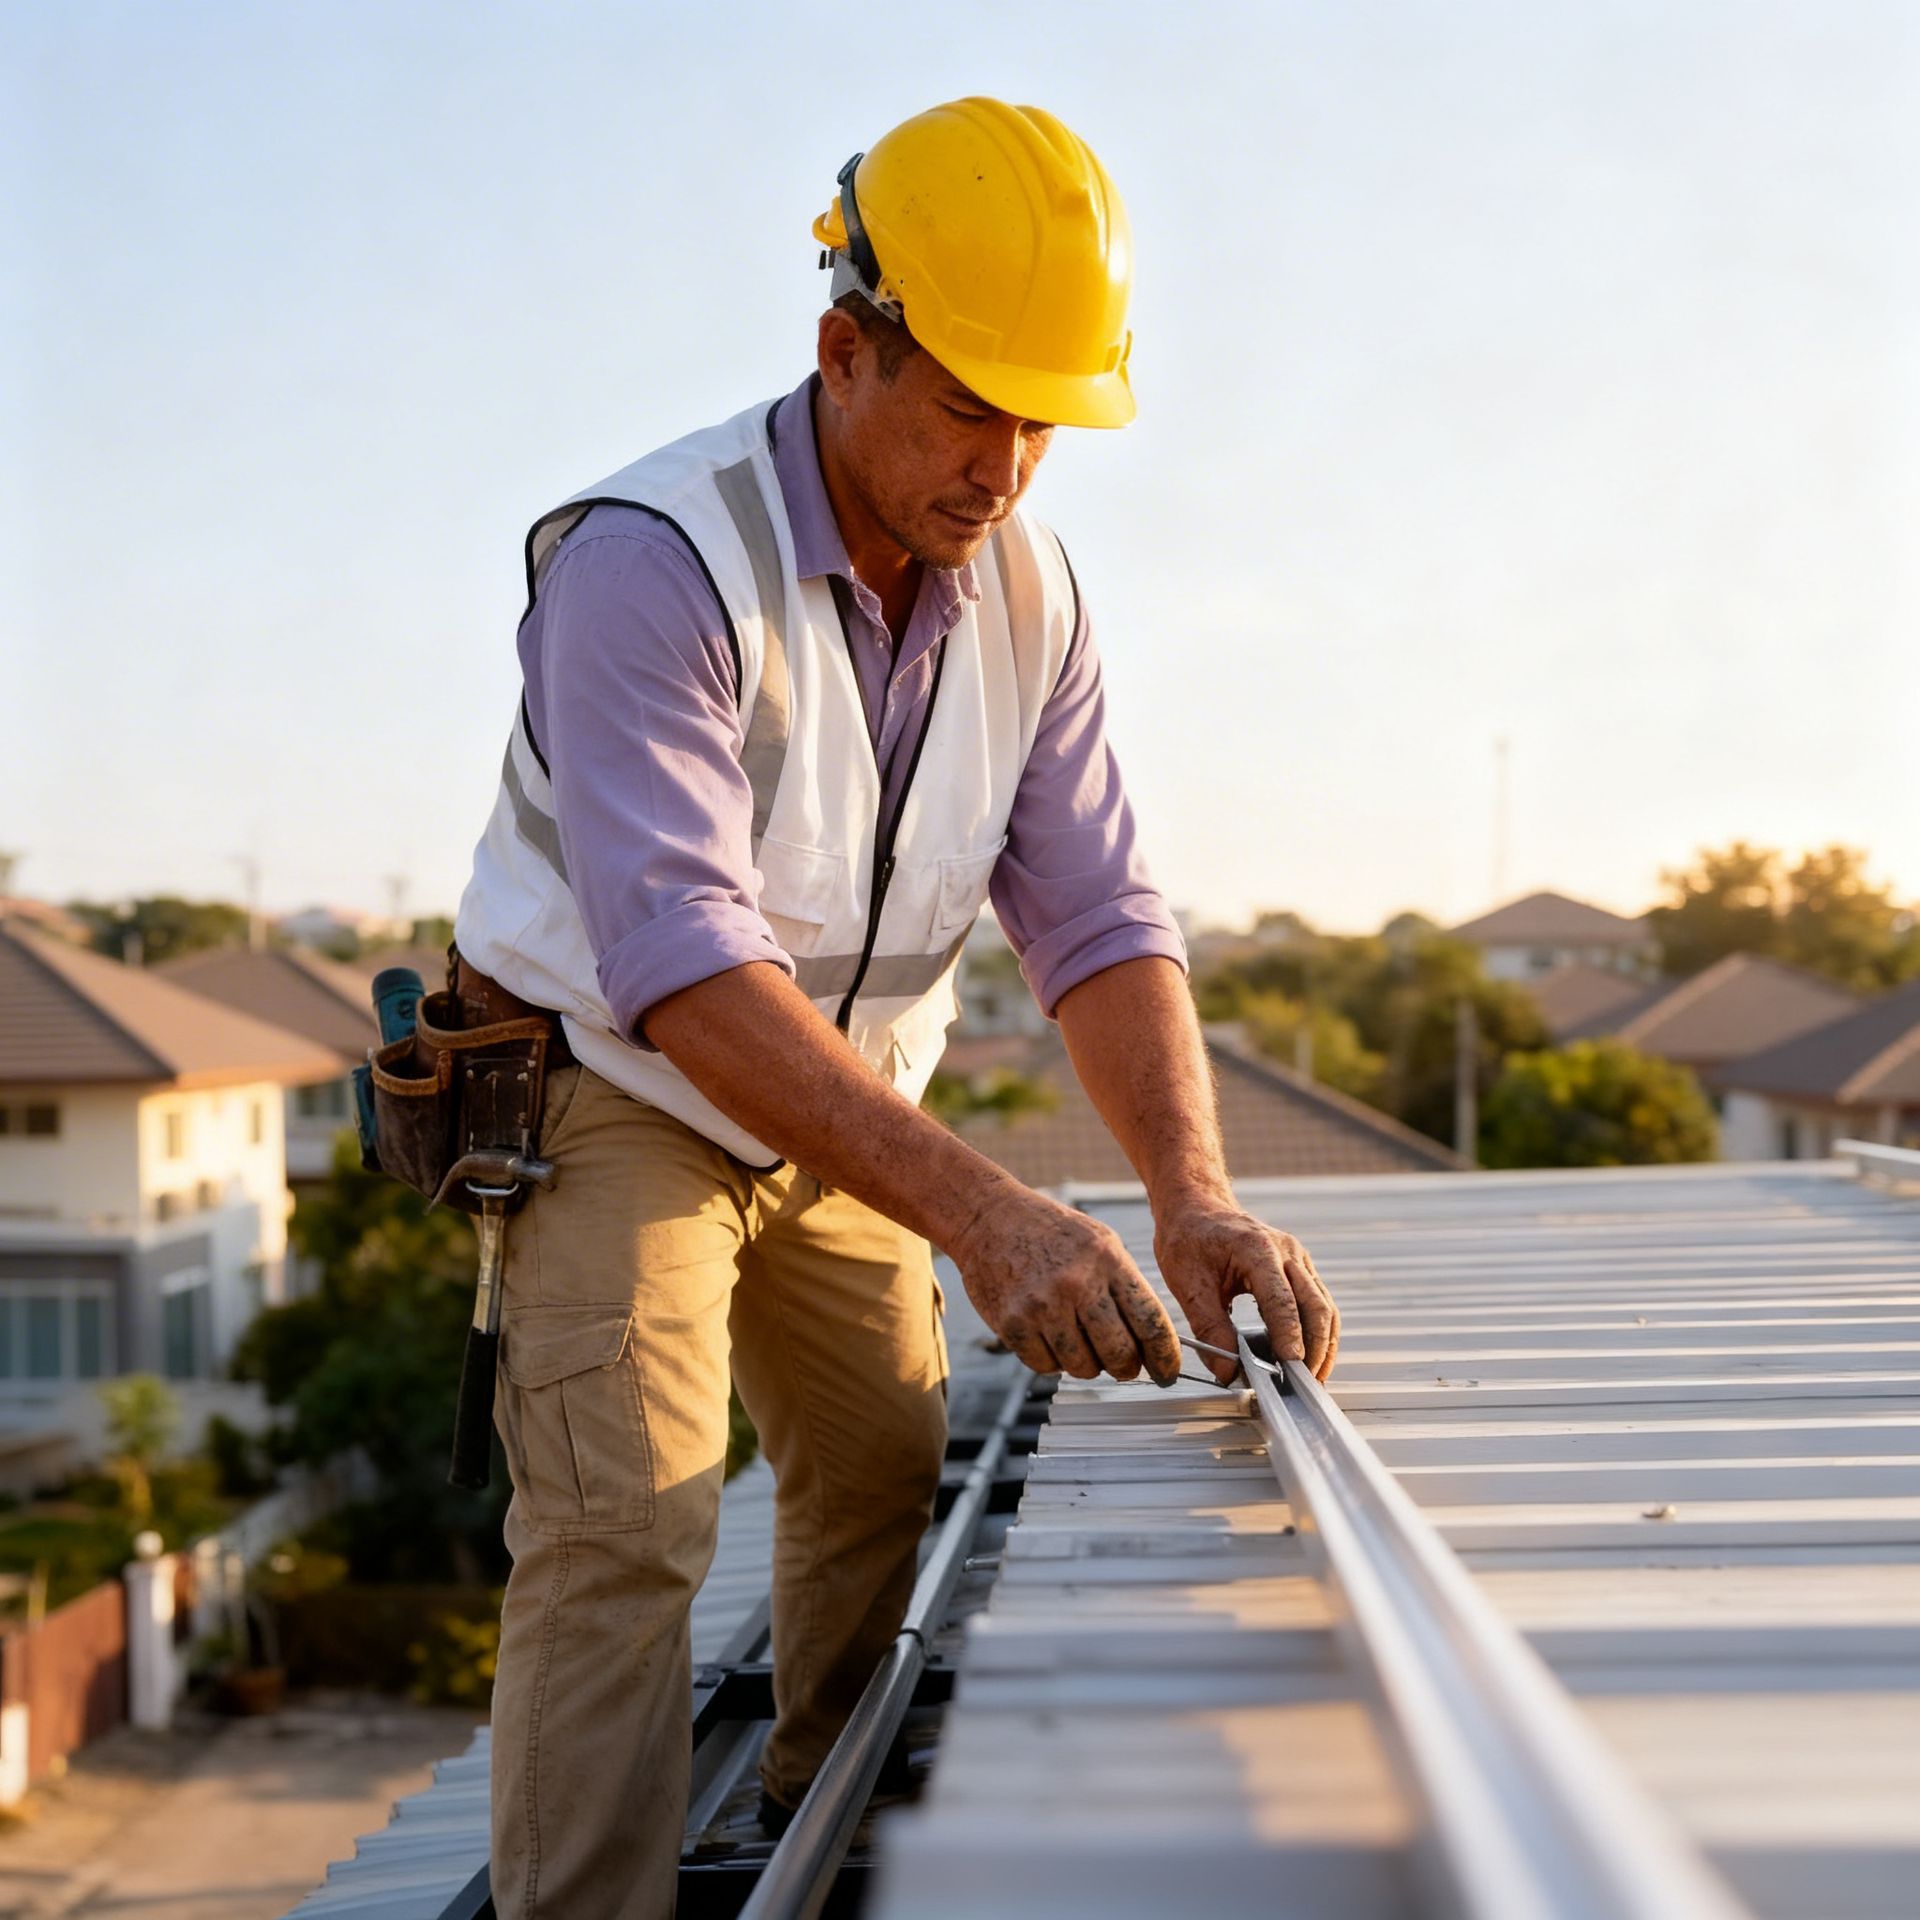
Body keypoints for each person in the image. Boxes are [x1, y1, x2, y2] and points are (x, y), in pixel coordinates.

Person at [452, 95, 1339, 1919]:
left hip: (846, 1092)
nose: (1005, 465)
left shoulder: (1027, 592)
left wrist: (1191, 1193)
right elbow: (685, 969)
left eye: (1042, 419)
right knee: (632, 1522)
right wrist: (992, 1209)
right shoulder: (652, 564)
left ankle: (811, 1836)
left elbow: (1094, 911)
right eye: (965, 403)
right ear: (843, 349)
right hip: (626, 1085)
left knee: (875, 1466)